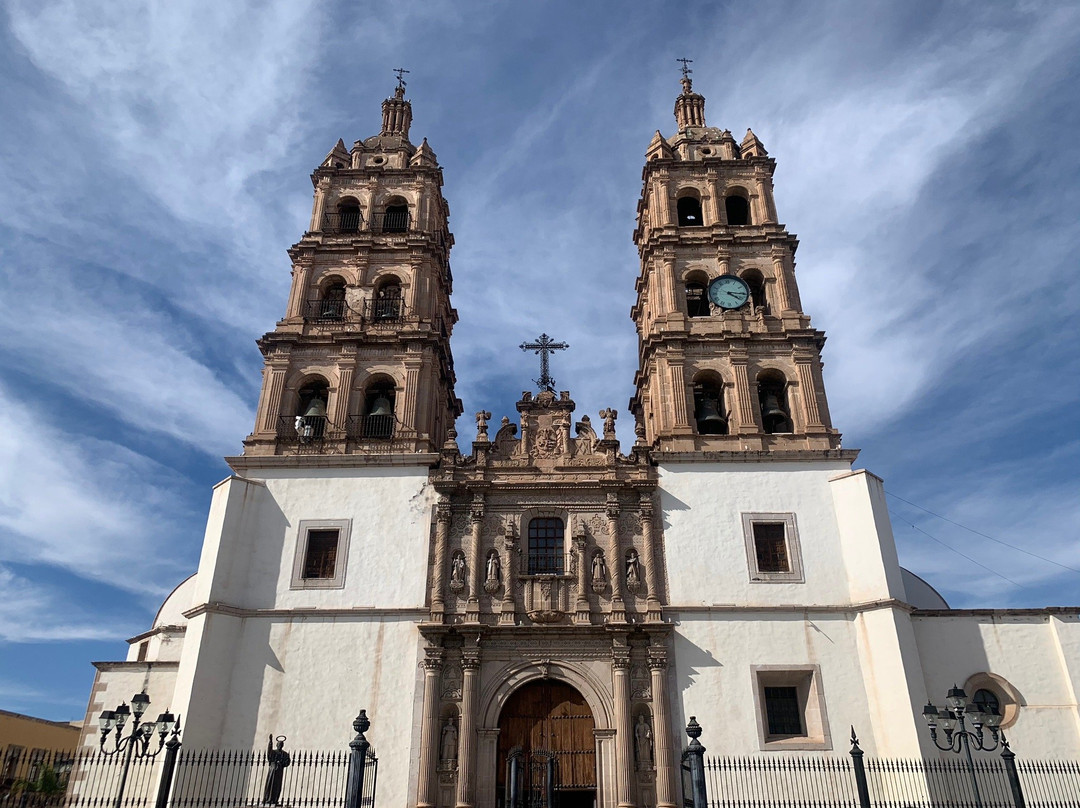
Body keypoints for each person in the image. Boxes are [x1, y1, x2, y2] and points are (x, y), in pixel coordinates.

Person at [262, 735, 291, 805]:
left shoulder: (285, 754)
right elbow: (269, 754)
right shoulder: (274, 752)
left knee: (277, 786)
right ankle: (268, 799)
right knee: (270, 784)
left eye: (281, 744)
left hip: (279, 772)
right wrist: (270, 742)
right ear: (277, 745)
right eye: (279, 744)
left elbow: (287, 762)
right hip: (272, 770)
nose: (280, 745)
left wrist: (284, 761)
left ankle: (275, 800)